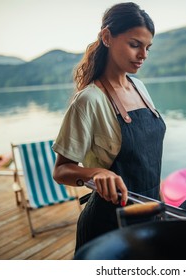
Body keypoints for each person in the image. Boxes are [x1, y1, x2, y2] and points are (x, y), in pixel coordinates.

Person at [52, 2, 166, 252]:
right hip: (108, 227)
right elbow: (61, 170)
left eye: (147, 47)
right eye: (135, 44)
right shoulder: (89, 100)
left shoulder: (140, 88)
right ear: (107, 37)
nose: (143, 55)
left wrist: (160, 202)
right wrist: (95, 173)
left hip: (149, 214)